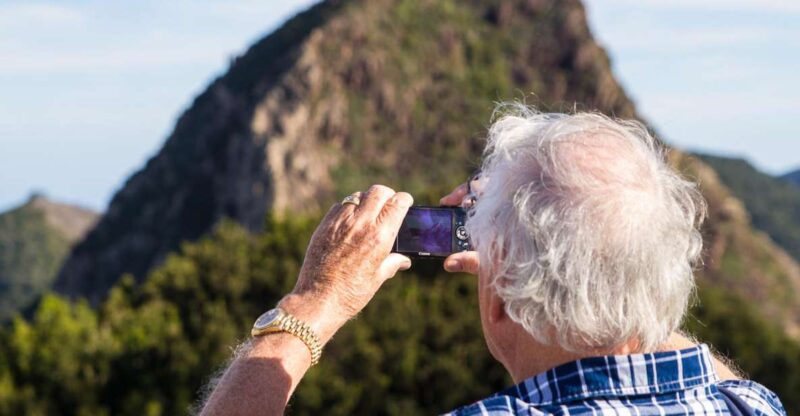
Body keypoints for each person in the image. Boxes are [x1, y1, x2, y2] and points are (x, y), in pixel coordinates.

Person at [199, 106, 787, 415]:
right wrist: (606, 263)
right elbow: (648, 327)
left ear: (504, 298)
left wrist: (313, 305)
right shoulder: (749, 404)